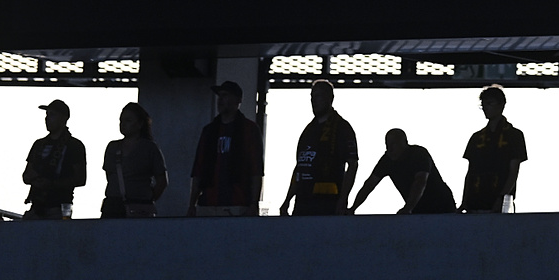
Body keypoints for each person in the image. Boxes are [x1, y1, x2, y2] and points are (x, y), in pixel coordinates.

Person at [279, 80, 357, 216]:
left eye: (318, 96)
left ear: (330, 98)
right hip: (303, 202)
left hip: (327, 202)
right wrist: (287, 200)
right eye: (312, 97)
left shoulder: (342, 128)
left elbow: (353, 165)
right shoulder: (308, 130)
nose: (314, 101)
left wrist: (342, 199)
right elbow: (300, 167)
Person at [187, 80, 263, 216]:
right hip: (210, 203)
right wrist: (192, 204)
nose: (220, 100)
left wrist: (253, 204)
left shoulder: (249, 130)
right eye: (220, 96)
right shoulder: (209, 131)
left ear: (238, 100)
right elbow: (198, 169)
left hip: (237, 202)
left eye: (226, 95)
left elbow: (256, 169)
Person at [350, 128, 457, 215]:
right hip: (417, 209)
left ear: (405, 143)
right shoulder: (387, 160)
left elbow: (420, 182)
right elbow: (369, 184)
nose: (390, 148)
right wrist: (352, 208)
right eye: (387, 144)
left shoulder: (419, 154)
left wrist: (408, 208)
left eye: (393, 144)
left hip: (442, 206)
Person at [460, 85, 526, 213]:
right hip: (476, 198)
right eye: (483, 104)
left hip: (499, 198)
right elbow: (470, 172)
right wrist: (465, 201)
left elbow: (513, 172)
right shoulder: (476, 137)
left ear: (502, 105)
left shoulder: (514, 135)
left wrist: (502, 198)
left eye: (489, 103)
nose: (485, 108)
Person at [22, 98, 87, 219]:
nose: (47, 118)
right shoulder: (39, 144)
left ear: (64, 118)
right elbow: (26, 176)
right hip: (37, 207)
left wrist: (52, 184)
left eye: (52, 115)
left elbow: (80, 178)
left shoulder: (74, 146)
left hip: (59, 208)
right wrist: (37, 179)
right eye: (47, 115)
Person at [101, 102, 168, 218]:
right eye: (121, 121)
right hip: (113, 206)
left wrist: (146, 199)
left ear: (140, 124)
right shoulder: (112, 147)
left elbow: (162, 181)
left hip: (140, 206)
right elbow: (111, 176)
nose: (123, 124)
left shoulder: (149, 148)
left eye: (128, 121)